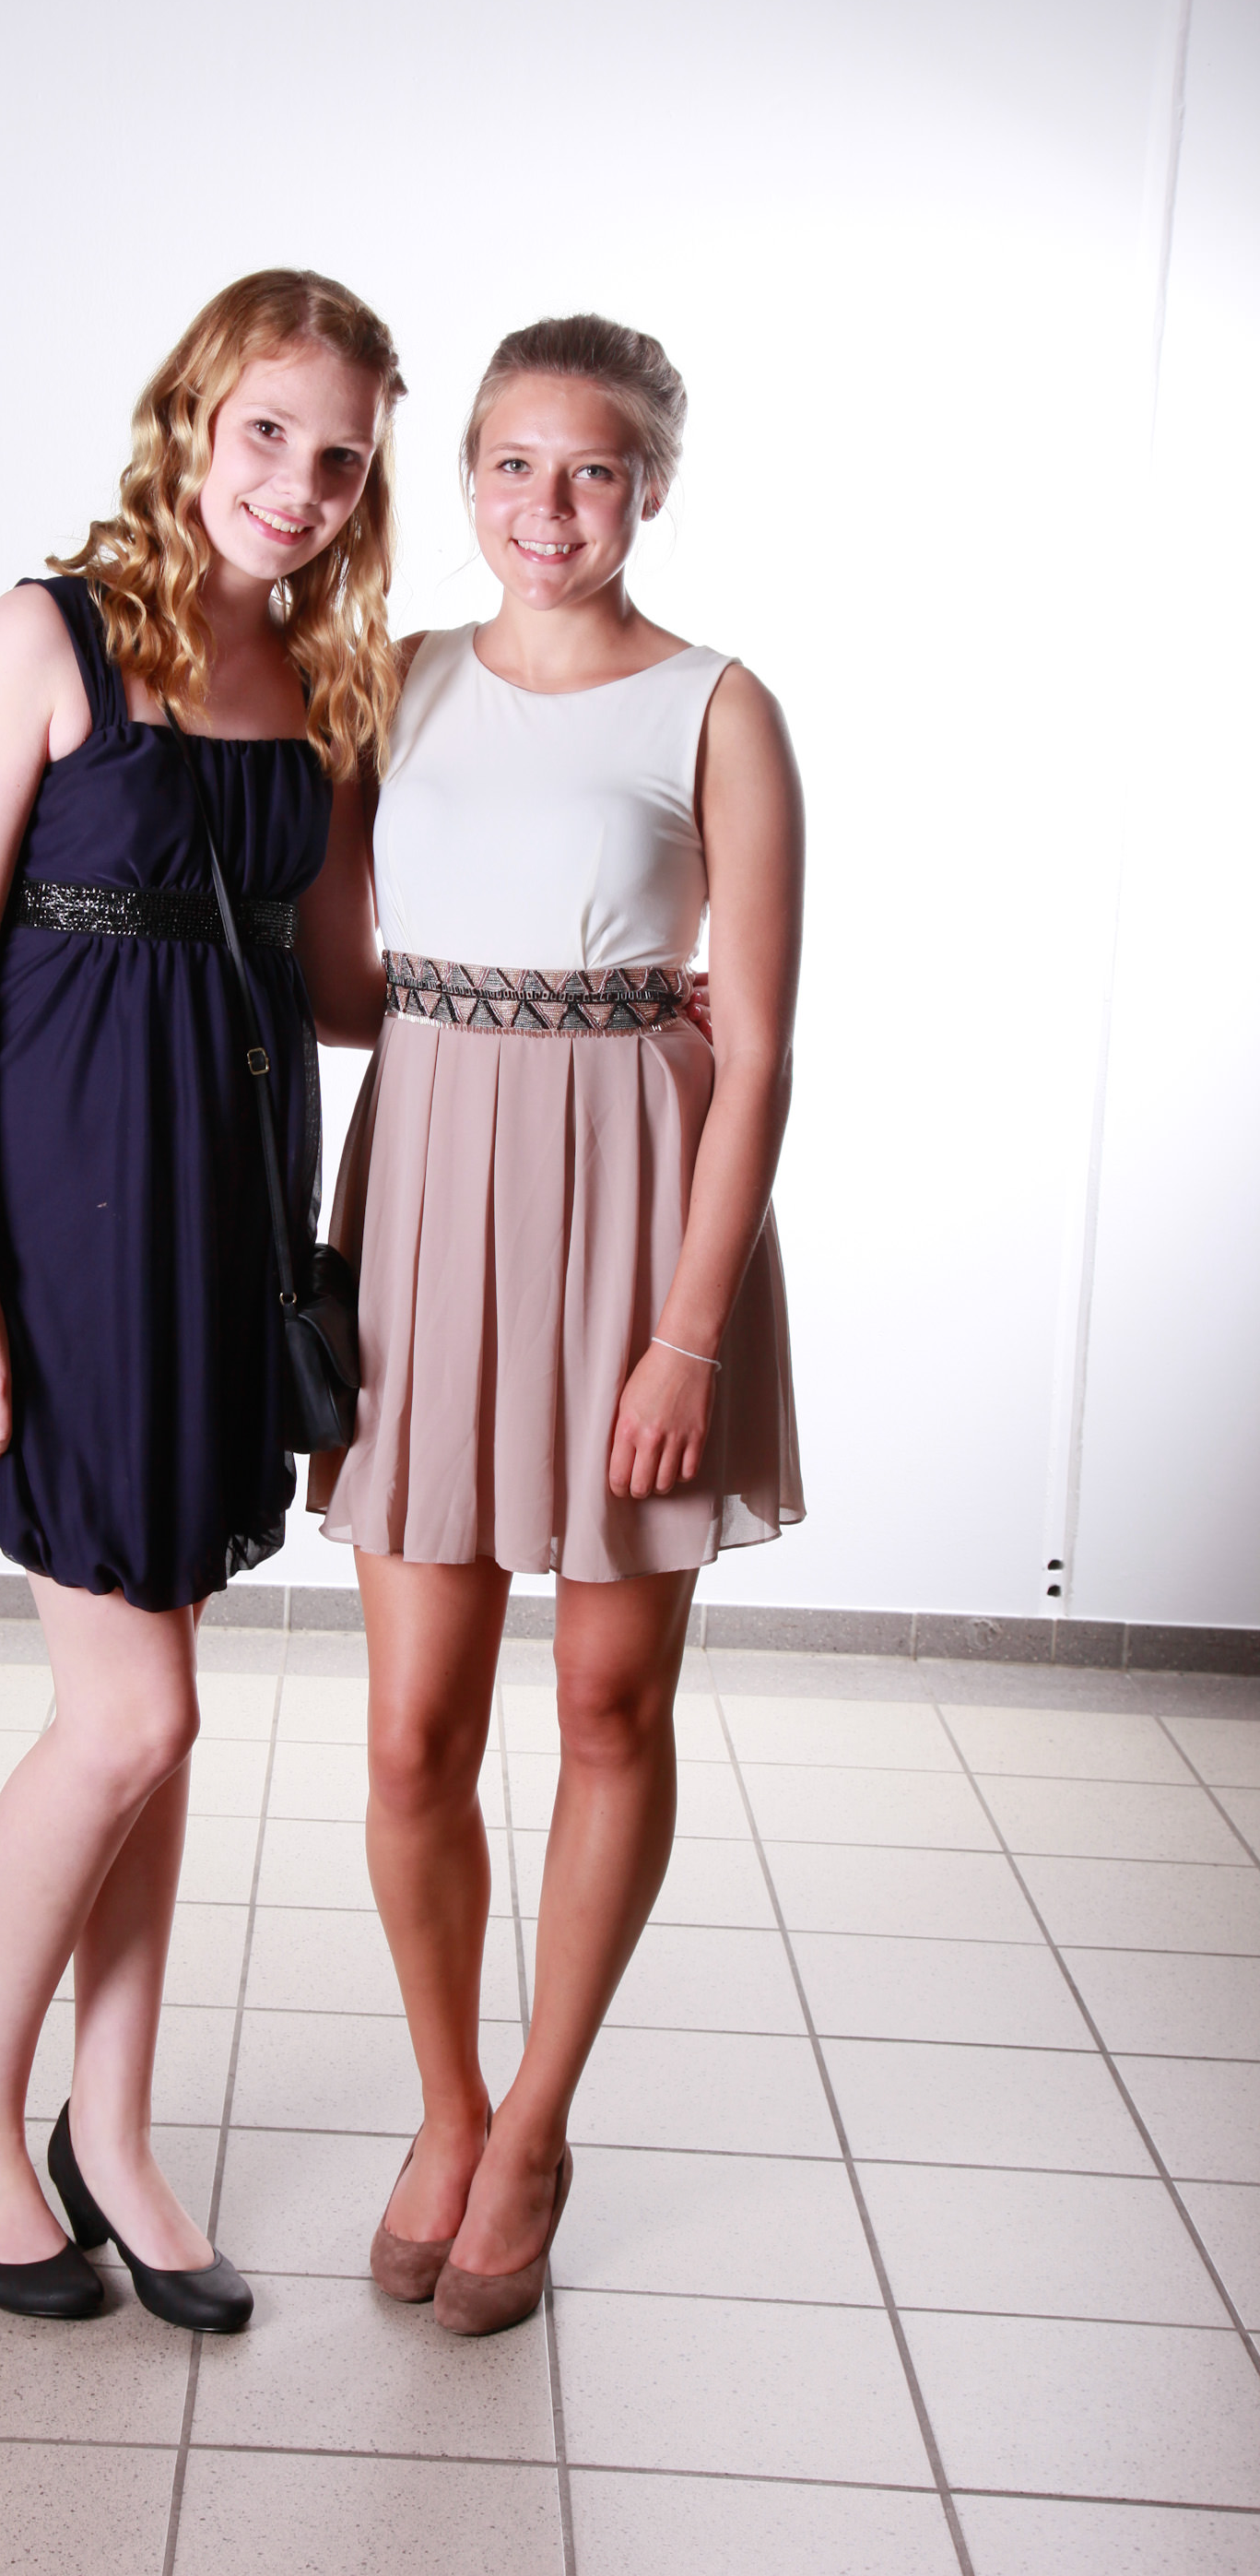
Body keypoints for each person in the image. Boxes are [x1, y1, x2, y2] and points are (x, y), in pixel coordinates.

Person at [0, 270, 394, 2330]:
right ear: (193, 414)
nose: (295, 483)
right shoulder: (53, 633)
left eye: (339, 457)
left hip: (222, 1227)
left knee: (158, 1717)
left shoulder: (323, 682)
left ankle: (114, 2131)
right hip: (55, 1231)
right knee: (138, 1714)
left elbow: (344, 988)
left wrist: (593, 991)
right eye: (266, 431)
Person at [314, 313, 804, 2335]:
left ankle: (535, 2130)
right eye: (511, 464)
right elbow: (332, 980)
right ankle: (447, 2112)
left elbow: (757, 1049)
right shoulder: (397, 677)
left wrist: (688, 1339)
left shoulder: (719, 706)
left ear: (650, 488)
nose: (547, 506)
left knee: (607, 1709)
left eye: (590, 469)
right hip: (431, 1188)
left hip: (635, 1223)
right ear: (467, 481)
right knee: (412, 1729)